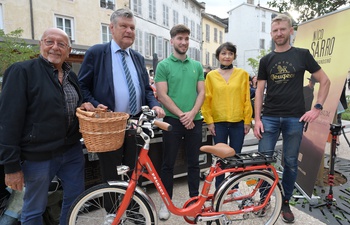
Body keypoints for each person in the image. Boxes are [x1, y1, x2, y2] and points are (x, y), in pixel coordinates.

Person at [0, 28, 95, 225]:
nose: (55, 47)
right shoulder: (22, 72)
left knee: (75, 200)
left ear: (68, 50)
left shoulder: (71, 76)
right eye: (49, 42)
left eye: (61, 44)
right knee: (34, 209)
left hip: (71, 151)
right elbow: (8, 120)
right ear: (41, 45)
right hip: (38, 155)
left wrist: (84, 106)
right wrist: (11, 165)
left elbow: (68, 105)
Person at [253, 14, 330, 223]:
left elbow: (325, 81)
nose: (279, 33)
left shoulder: (302, 55)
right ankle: (264, 200)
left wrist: (317, 108)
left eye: (282, 29)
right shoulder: (266, 60)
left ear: (291, 30)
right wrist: (257, 119)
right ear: (271, 33)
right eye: (275, 30)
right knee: (263, 162)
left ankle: (285, 201)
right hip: (268, 118)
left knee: (290, 163)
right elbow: (259, 91)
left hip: (294, 119)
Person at [78, 8, 164, 185]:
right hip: (110, 123)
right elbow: (82, 86)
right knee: (111, 170)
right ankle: (112, 212)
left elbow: (147, 89)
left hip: (136, 123)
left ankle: (135, 210)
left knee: (135, 169)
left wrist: (154, 104)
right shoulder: (96, 53)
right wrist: (94, 104)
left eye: (132, 28)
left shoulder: (138, 58)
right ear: (111, 28)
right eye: (124, 26)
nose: (129, 31)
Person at [155, 24, 205, 220]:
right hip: (172, 121)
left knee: (194, 163)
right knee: (168, 164)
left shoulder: (197, 65)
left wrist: (192, 114)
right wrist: (183, 116)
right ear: (172, 41)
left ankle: (194, 201)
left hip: (195, 120)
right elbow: (162, 94)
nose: (183, 42)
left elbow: (201, 92)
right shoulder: (163, 65)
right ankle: (166, 203)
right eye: (179, 39)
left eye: (186, 39)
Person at [201, 42, 252, 189]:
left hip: (238, 122)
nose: (227, 56)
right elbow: (206, 99)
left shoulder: (242, 74)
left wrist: (247, 120)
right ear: (218, 56)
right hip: (219, 122)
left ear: (234, 56)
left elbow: (246, 98)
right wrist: (209, 121)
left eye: (230, 53)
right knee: (220, 158)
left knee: (236, 157)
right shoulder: (211, 76)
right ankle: (220, 187)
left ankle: (234, 188)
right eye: (223, 53)